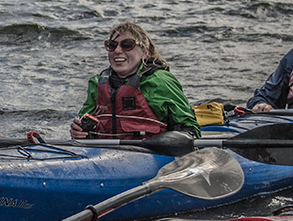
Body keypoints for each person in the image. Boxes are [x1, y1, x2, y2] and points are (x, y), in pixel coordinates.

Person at [69, 22, 200, 140]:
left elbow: (191, 130)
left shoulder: (161, 81)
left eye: (127, 45)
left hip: (149, 154)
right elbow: (85, 128)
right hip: (103, 153)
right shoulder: (97, 83)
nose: (118, 50)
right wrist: (79, 132)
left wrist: (175, 141)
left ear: (144, 52)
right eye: (112, 45)